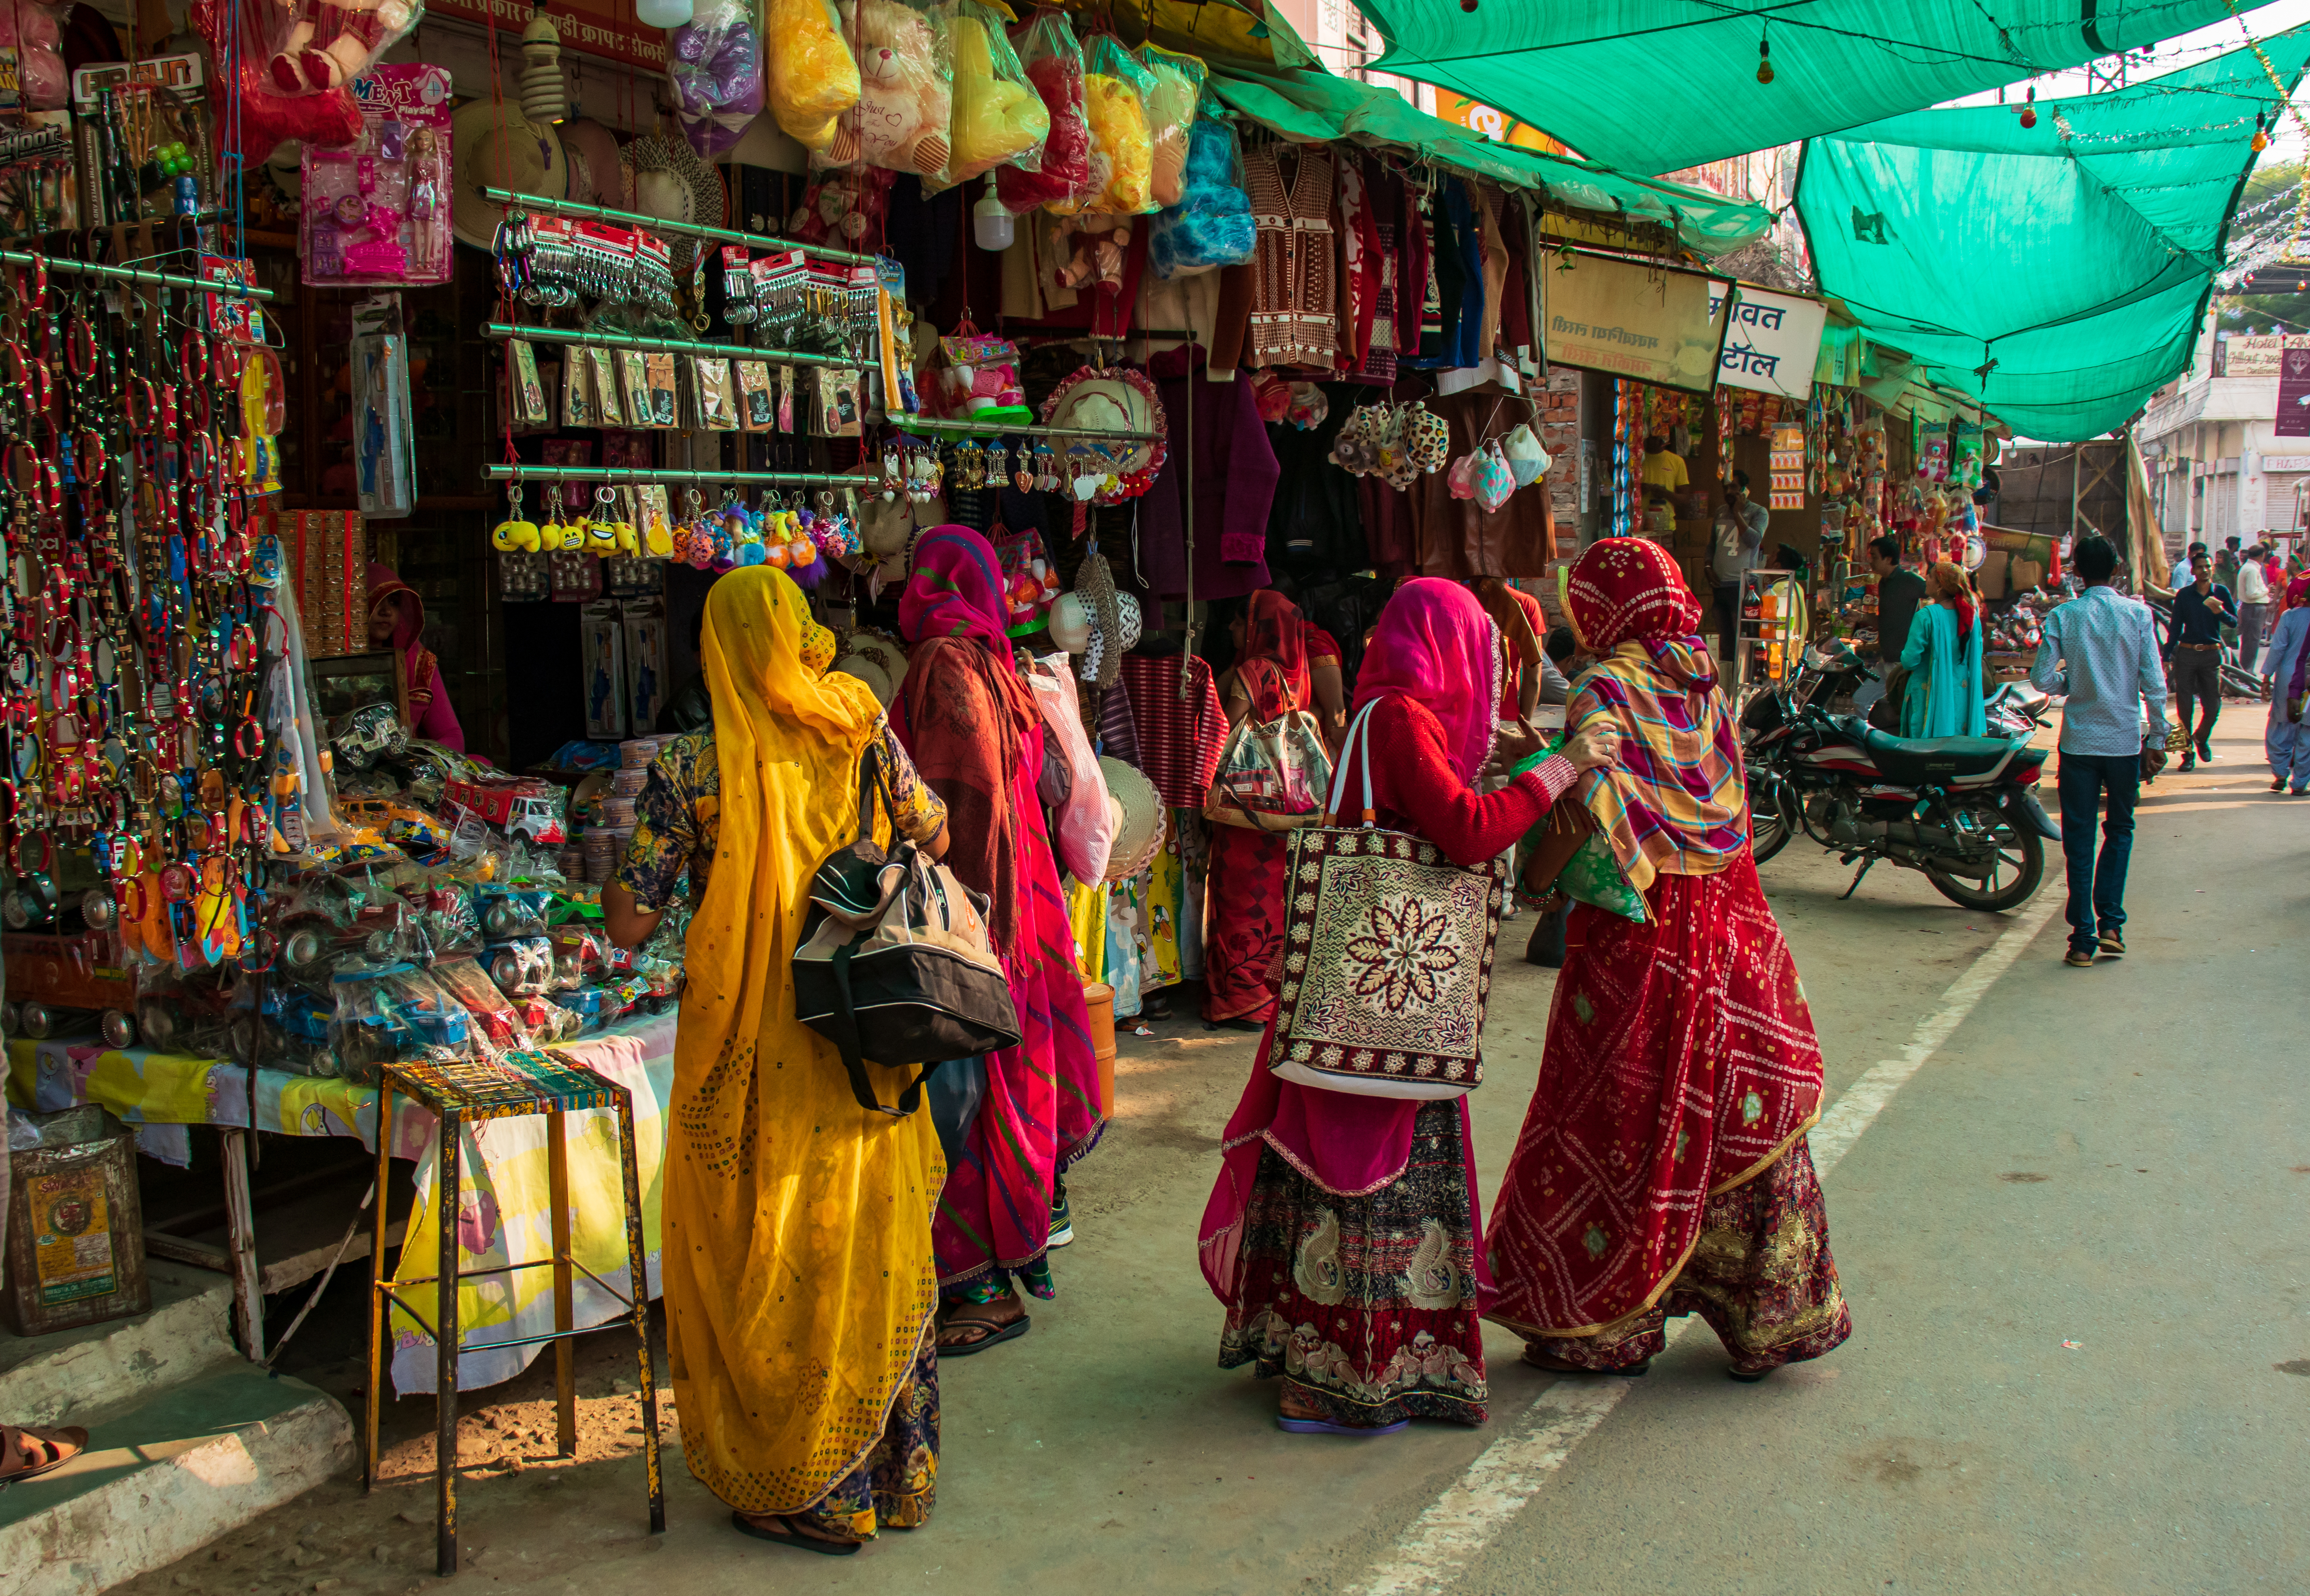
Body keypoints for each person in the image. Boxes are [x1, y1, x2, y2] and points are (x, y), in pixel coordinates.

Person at [1198, 579, 1617, 1434]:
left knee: (1338, 1158)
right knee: (1374, 1162)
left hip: (1359, 984)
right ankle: (1355, 1372)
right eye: (1477, 647)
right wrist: (1560, 768)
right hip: (1390, 1000)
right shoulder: (1397, 719)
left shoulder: (1376, 716)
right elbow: (1463, 828)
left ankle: (1319, 1351)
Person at [609, 567, 948, 1554]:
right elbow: (937, 830)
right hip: (864, 1039)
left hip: (752, 1052)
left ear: (714, 651)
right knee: (866, 1238)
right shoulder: (859, 723)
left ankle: (808, 1480)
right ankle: (894, 1471)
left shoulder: (691, 768)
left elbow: (629, 919)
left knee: (768, 1247)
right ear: (800, 633)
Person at [1487, 538, 1849, 1382]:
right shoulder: (1701, 680)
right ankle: (1773, 1317)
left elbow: (1596, 796)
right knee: (1733, 1103)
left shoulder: (1604, 687)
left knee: (1619, 1107)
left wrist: (1534, 770)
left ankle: (1602, 1325)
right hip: (1727, 928)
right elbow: (1729, 806)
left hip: (1637, 932)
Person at [893, 527, 1101, 1355]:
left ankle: (976, 1283)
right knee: (985, 1089)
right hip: (1016, 899)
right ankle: (990, 1269)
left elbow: (959, 797)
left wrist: (964, 916)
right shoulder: (989, 655)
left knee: (964, 1100)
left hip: (979, 907)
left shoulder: (945, 663)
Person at [2031, 535, 2167, 967]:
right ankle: (2111, 924)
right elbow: (2155, 684)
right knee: (2120, 830)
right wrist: (2158, 738)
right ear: (2117, 569)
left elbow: (2041, 679)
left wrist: (2070, 685)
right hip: (2125, 741)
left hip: (2079, 743)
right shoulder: (2138, 614)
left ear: (2076, 573)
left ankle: (2082, 938)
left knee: (2079, 837)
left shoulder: (2063, 616)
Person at [1204, 590, 1314, 1029]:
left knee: (1236, 898)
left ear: (1256, 628)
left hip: (1245, 806)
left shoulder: (1252, 671)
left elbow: (1225, 729)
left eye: (1237, 623)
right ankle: (1267, 996)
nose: (1231, 630)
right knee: (1271, 900)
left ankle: (1240, 996)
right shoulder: (1298, 671)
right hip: (1286, 807)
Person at [365, 563, 464, 750]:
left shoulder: (418, 661)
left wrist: (412, 761)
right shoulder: (334, 663)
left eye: (394, 602)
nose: (386, 612)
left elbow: (452, 736)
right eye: (377, 601)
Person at [1898, 560, 1988, 738]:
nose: (1926, 579)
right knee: (1955, 750)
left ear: (1940, 585)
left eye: (1930, 576)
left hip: (1929, 694)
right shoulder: (1971, 616)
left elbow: (1909, 661)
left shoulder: (1926, 616)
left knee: (1925, 753)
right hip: (1961, 693)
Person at [2164, 549, 2231, 770]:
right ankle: (2187, 753)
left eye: (2208, 566)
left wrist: (2219, 611)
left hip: (2212, 655)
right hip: (2187, 653)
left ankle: (2201, 738)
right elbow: (2175, 628)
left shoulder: (2221, 592)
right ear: (2193, 571)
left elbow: (2234, 622)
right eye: (2200, 567)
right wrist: (2166, 655)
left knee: (2212, 705)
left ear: (2213, 569)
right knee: (2185, 707)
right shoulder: (2184, 595)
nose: (2205, 570)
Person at [1709, 470, 1769, 670]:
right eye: (1726, 487)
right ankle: (1727, 688)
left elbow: (1753, 541)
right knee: (1726, 643)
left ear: (1744, 490)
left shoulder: (1758, 512)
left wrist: (1737, 512)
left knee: (1744, 640)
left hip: (1744, 586)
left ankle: (1747, 683)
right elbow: (1712, 545)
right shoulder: (1719, 512)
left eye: (1734, 487)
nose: (1729, 492)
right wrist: (1708, 567)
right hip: (1720, 586)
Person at [2262, 575, 2310, 793]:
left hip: (2288, 677)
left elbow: (2278, 648)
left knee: (2280, 724)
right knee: (2307, 731)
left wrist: (2266, 675)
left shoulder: (2290, 617)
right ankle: (2300, 782)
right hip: (2307, 681)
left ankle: (2281, 772)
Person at [2235, 543, 2272, 676]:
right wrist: (2267, 590)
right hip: (2253, 608)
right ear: (2263, 555)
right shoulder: (2252, 570)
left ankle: (2246, 671)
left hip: (2253, 608)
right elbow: (2251, 593)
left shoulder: (2250, 567)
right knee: (2252, 642)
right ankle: (2247, 673)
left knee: (2251, 641)